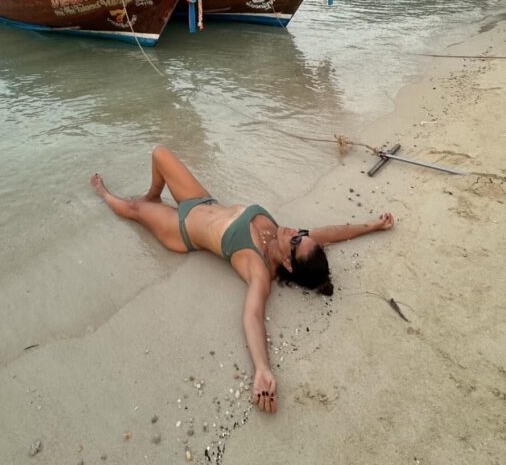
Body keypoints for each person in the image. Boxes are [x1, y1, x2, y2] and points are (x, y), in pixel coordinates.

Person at [91, 145, 394, 413]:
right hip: (201, 200)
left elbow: (252, 317)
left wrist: (262, 368)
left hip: (180, 229)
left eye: (296, 240)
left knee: (131, 208)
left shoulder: (259, 270)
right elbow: (330, 233)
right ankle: (153, 195)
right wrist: (370, 226)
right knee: (160, 153)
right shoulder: (284, 237)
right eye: (301, 234)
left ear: (288, 263)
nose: (295, 232)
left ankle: (103, 194)